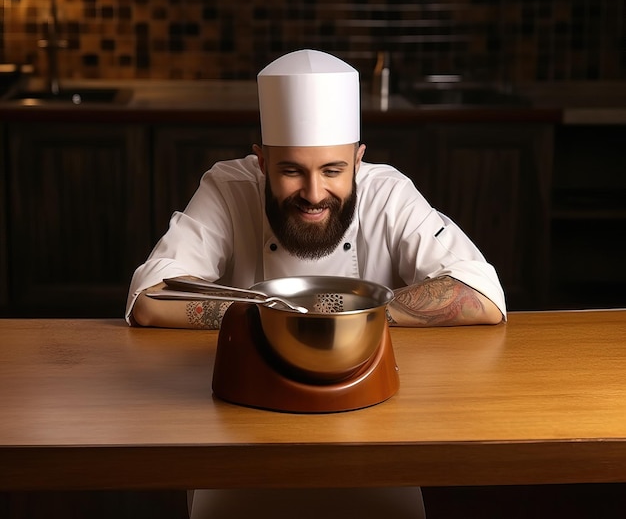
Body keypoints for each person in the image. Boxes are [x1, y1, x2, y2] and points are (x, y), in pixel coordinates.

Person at [126, 49, 506, 518]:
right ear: (261, 162)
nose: (313, 193)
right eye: (291, 171)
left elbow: (482, 295)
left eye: (332, 170)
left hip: (374, 435)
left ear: (358, 161)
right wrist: (283, 317)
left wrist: (349, 318)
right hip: (242, 440)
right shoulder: (228, 187)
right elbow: (152, 298)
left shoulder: (388, 192)